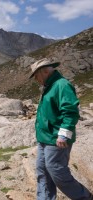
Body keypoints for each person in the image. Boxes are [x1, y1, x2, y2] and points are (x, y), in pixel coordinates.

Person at [29, 58, 93, 200]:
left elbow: (70, 112)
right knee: (42, 171)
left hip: (56, 139)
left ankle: (84, 197)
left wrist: (64, 135)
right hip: (44, 138)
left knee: (57, 171)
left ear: (45, 71)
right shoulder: (49, 86)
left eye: (36, 75)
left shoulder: (62, 85)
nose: (36, 79)